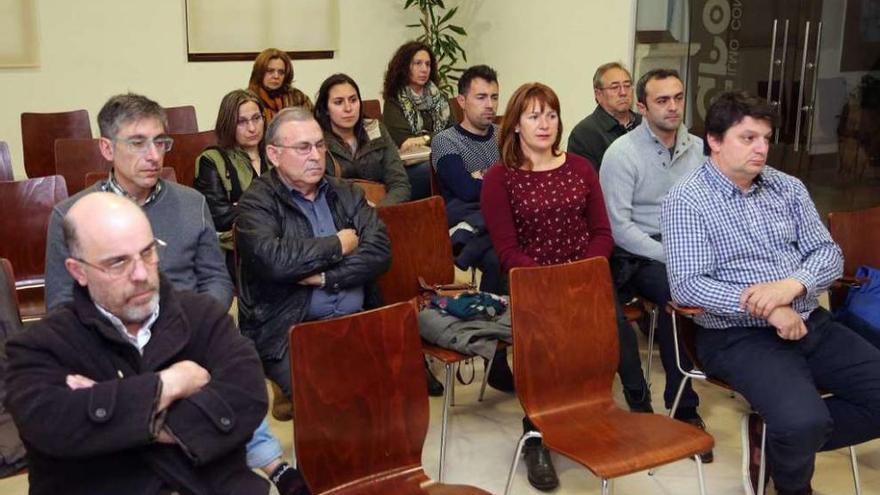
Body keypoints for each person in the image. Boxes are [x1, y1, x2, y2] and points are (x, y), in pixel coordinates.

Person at [44, 94, 306, 495]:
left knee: (232, 357)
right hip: (117, 344)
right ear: (106, 148)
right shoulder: (74, 216)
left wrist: (195, 325)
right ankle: (261, 462)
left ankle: (264, 462)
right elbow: (61, 305)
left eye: (160, 142)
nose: (153, 155)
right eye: (138, 142)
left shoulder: (190, 203)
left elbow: (217, 280)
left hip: (190, 330)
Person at [661, 91, 880, 495]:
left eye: (765, 137)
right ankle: (791, 484)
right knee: (801, 422)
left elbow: (828, 252)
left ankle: (774, 437)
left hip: (809, 321)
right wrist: (768, 309)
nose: (762, 148)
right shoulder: (687, 199)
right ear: (714, 140)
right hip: (736, 335)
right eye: (748, 138)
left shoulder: (788, 187)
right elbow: (689, 284)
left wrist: (791, 286)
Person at [6, 192, 269, 494]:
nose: (142, 274)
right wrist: (169, 384)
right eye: (118, 263)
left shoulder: (204, 316)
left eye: (147, 252)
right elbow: (52, 426)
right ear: (78, 271)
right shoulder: (37, 347)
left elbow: (249, 397)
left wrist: (116, 416)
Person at [481, 82, 651, 492]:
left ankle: (636, 414)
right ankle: (536, 435)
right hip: (534, 283)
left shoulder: (579, 167)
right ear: (516, 125)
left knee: (615, 334)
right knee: (548, 352)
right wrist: (548, 280)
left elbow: (601, 231)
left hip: (586, 276)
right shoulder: (499, 177)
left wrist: (584, 269)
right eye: (534, 115)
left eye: (551, 115)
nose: (545, 124)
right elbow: (506, 248)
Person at [235, 107, 391, 399]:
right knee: (326, 399)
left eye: (320, 145)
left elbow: (380, 251)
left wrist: (324, 277)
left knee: (394, 386)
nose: (316, 155)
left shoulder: (345, 192)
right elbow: (274, 260)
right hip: (288, 329)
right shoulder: (256, 201)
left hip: (357, 319)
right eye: (303, 147)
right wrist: (338, 244)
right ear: (274, 154)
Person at [599, 68, 712, 462]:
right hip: (641, 254)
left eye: (678, 97)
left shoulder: (699, 148)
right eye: (662, 100)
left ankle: (743, 377)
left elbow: (713, 208)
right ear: (642, 107)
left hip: (693, 246)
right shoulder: (622, 153)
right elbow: (619, 227)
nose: (673, 107)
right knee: (677, 293)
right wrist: (674, 256)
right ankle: (684, 407)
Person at [430, 64, 512, 392]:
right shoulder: (445, 141)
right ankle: (496, 353)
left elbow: (519, 180)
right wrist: (498, 179)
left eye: (494, 97)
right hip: (466, 223)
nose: (490, 105)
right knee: (497, 260)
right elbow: (465, 190)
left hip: (502, 219)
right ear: (462, 100)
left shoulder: (505, 136)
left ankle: (525, 342)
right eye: (481, 97)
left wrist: (486, 178)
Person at [194, 89, 272, 277]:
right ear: (228, 124)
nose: (252, 128)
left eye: (256, 118)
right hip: (236, 252)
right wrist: (271, 209)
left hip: (282, 244)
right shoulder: (211, 160)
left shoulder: (277, 153)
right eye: (242, 122)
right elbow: (219, 217)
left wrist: (242, 206)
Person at [314, 73, 411, 206]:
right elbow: (316, 195)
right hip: (341, 218)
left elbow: (400, 183)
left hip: (382, 210)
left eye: (353, 100)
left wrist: (379, 212)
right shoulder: (316, 141)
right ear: (325, 109)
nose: (348, 108)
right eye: (338, 102)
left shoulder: (375, 129)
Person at [382, 41, 454, 199]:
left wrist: (424, 138)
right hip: (409, 168)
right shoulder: (394, 101)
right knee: (441, 169)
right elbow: (404, 142)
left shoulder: (440, 100)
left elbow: (453, 134)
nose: (424, 69)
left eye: (428, 64)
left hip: (439, 157)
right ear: (404, 66)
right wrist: (436, 138)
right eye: (418, 63)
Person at [567, 62, 641, 169]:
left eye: (627, 85)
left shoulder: (645, 123)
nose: (623, 92)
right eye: (615, 87)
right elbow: (586, 181)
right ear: (598, 94)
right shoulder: (584, 134)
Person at [248, 48, 313, 123]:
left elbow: (311, 124)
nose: (276, 76)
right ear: (259, 73)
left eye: (281, 72)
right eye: (270, 71)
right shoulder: (250, 99)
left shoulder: (298, 98)